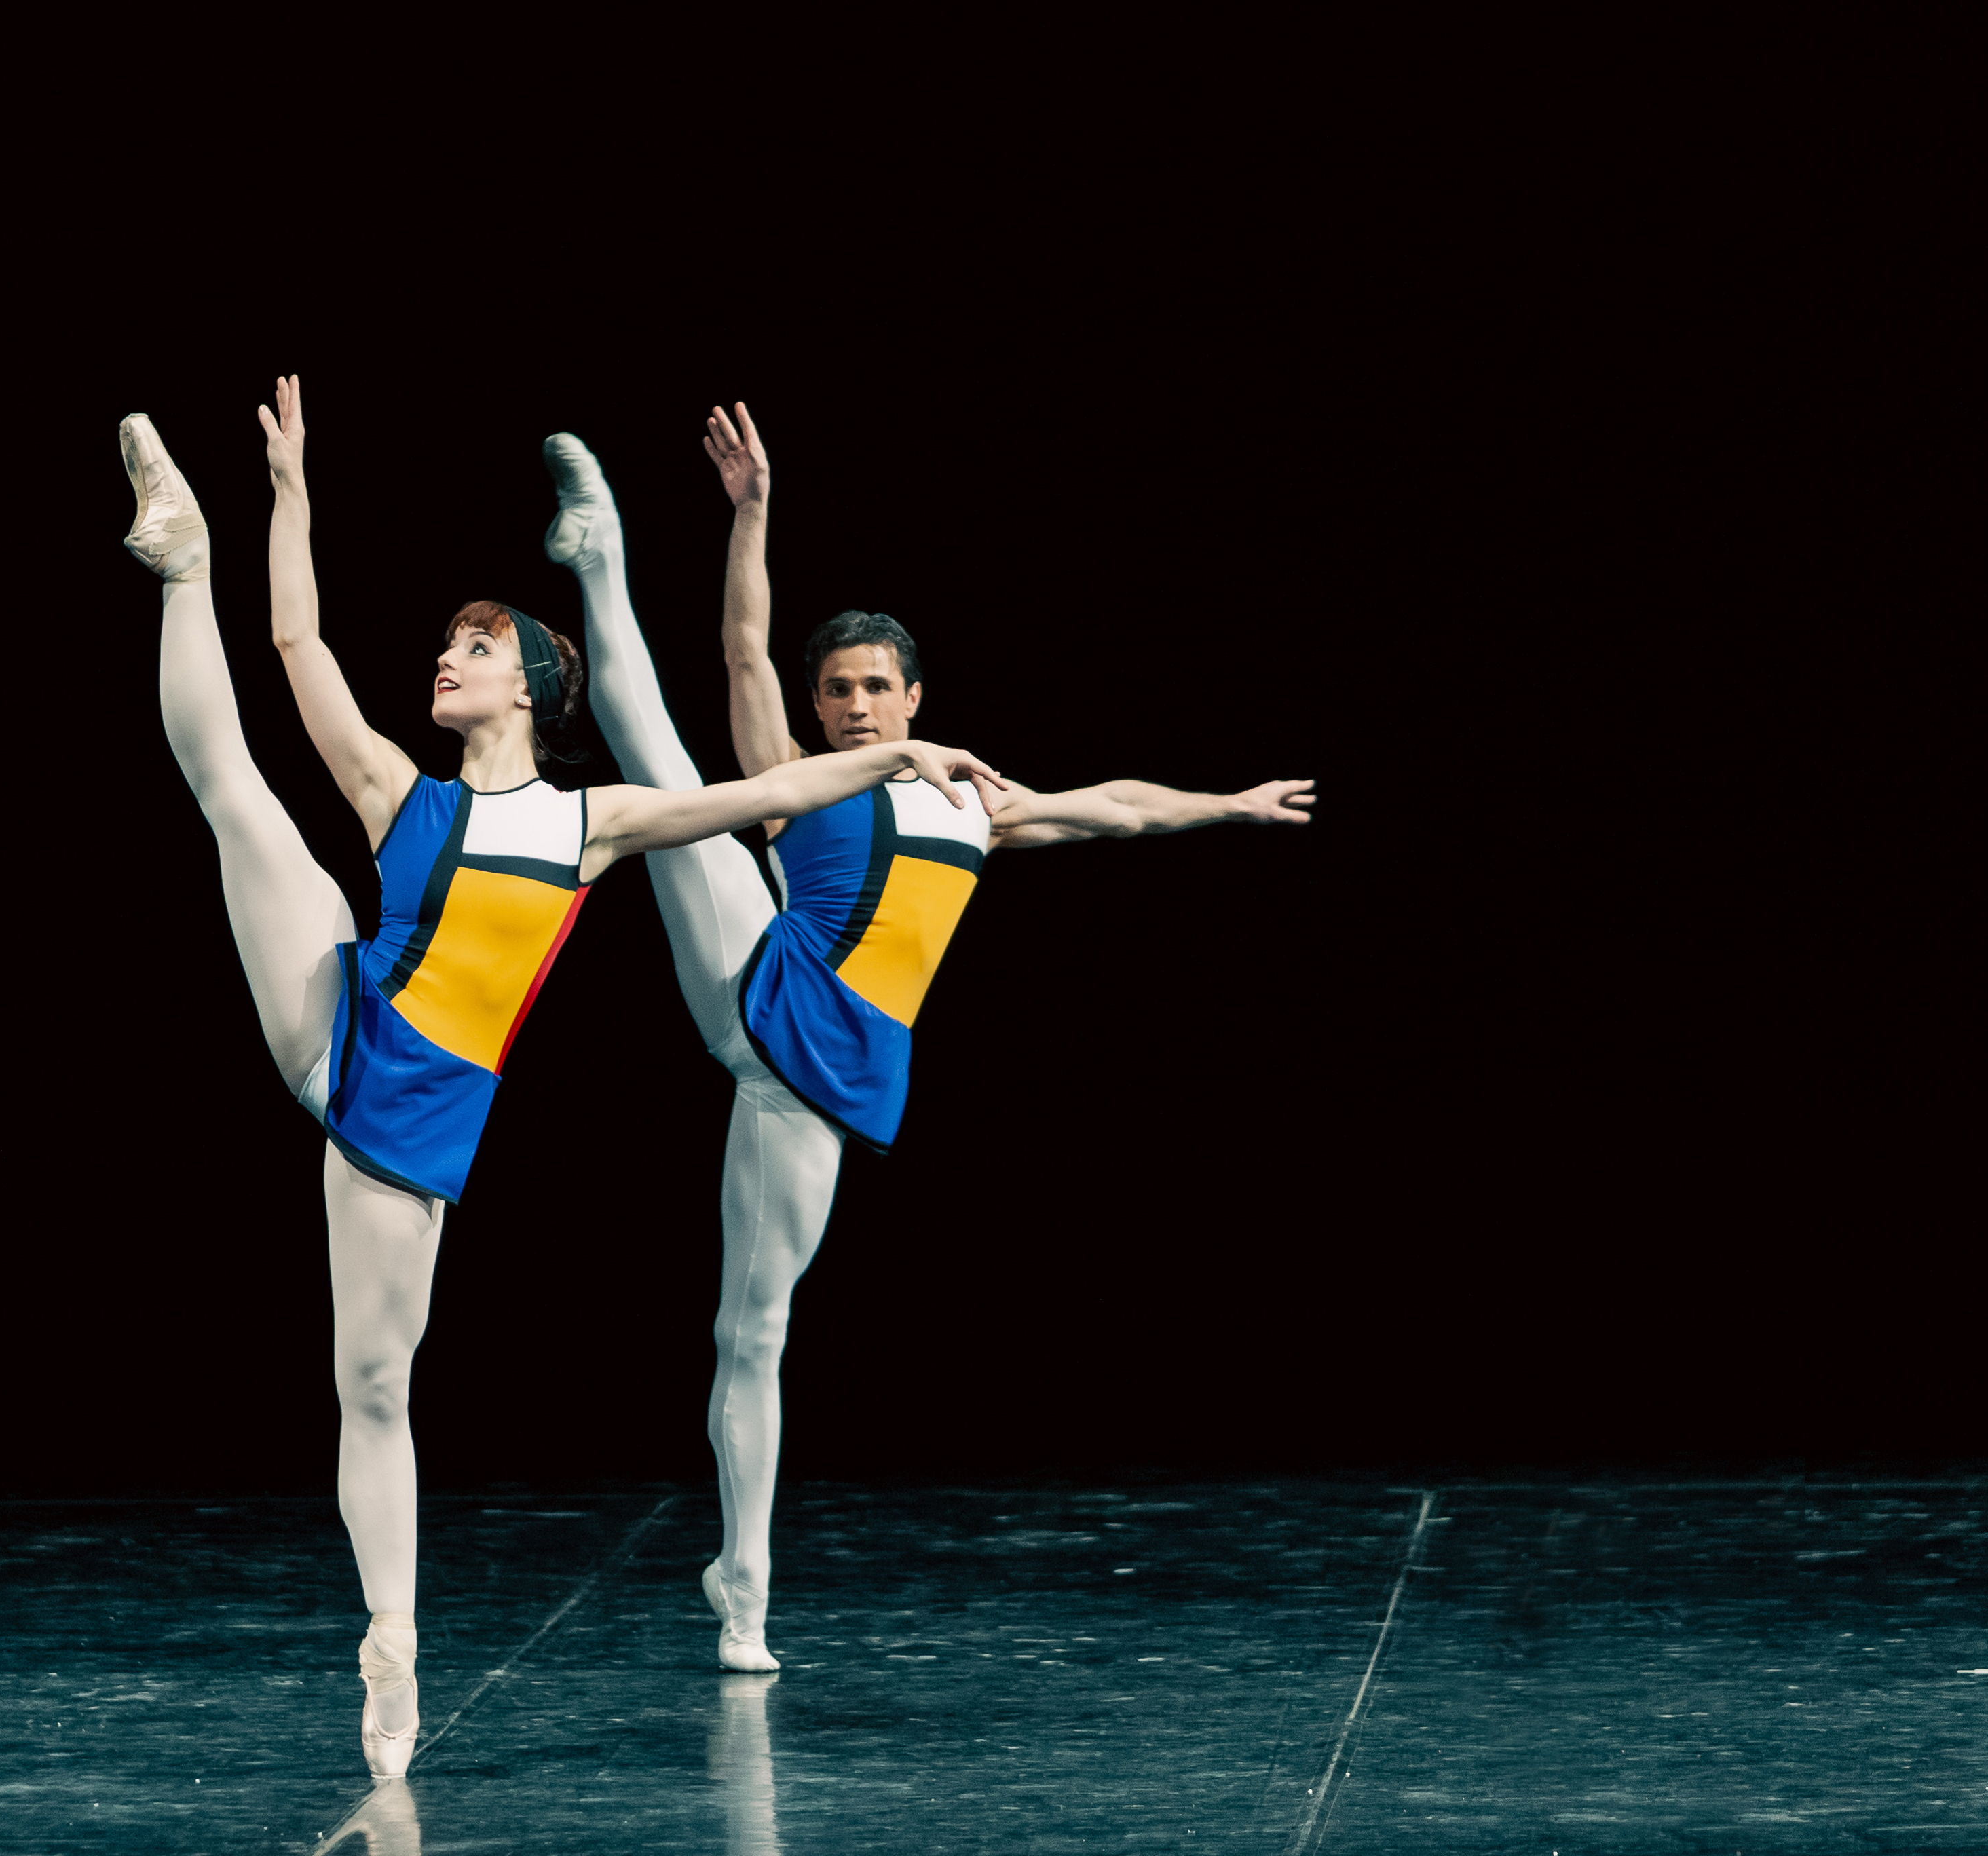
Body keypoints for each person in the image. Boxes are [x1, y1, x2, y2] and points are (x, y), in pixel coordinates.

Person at [126, 377, 1005, 1777]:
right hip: (332, 1015)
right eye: (446, 642)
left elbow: (761, 793)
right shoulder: (396, 790)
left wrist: (898, 751)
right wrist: (286, 496)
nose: (446, 658)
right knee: (237, 793)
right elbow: (296, 641)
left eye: (474, 645)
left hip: (407, 1112)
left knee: (373, 1384)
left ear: (531, 684)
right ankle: (183, 559)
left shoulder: (589, 824)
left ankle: (392, 1639)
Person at [540, 404, 1317, 1673]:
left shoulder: (974, 806)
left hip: (816, 1078)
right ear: (818, 707)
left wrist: (1226, 804)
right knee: (667, 769)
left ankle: (739, 1574)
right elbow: (741, 648)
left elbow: (1117, 808)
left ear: (913, 697)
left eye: (874, 689)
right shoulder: (796, 777)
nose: (853, 706)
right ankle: (598, 553)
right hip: (757, 975)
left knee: (754, 1331)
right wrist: (752, 512)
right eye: (836, 690)